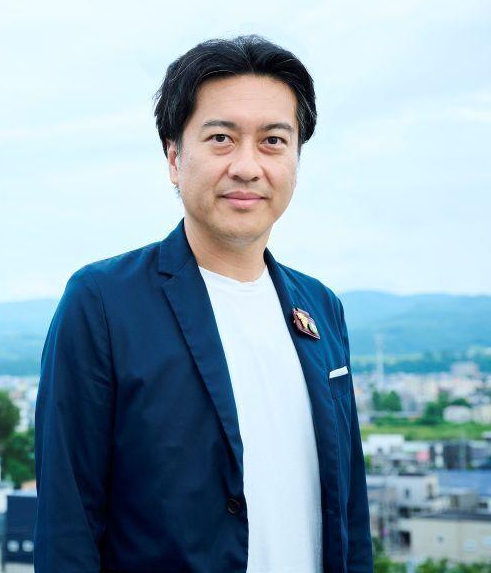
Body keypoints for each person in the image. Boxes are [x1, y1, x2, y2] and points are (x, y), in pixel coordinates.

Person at [33, 35, 372, 572]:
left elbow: (350, 514)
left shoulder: (321, 309)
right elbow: (67, 522)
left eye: (273, 141)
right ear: (174, 157)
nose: (246, 166)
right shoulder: (102, 301)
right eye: (220, 138)